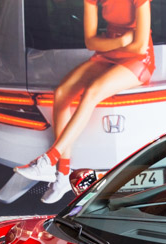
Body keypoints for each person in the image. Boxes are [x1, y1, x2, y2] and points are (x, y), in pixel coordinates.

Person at [14, 0, 154, 204]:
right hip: (110, 53)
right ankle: (62, 176)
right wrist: (121, 41)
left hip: (139, 60)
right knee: (61, 93)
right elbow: (90, 42)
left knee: (91, 92)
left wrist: (111, 43)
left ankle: (50, 158)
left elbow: (140, 46)